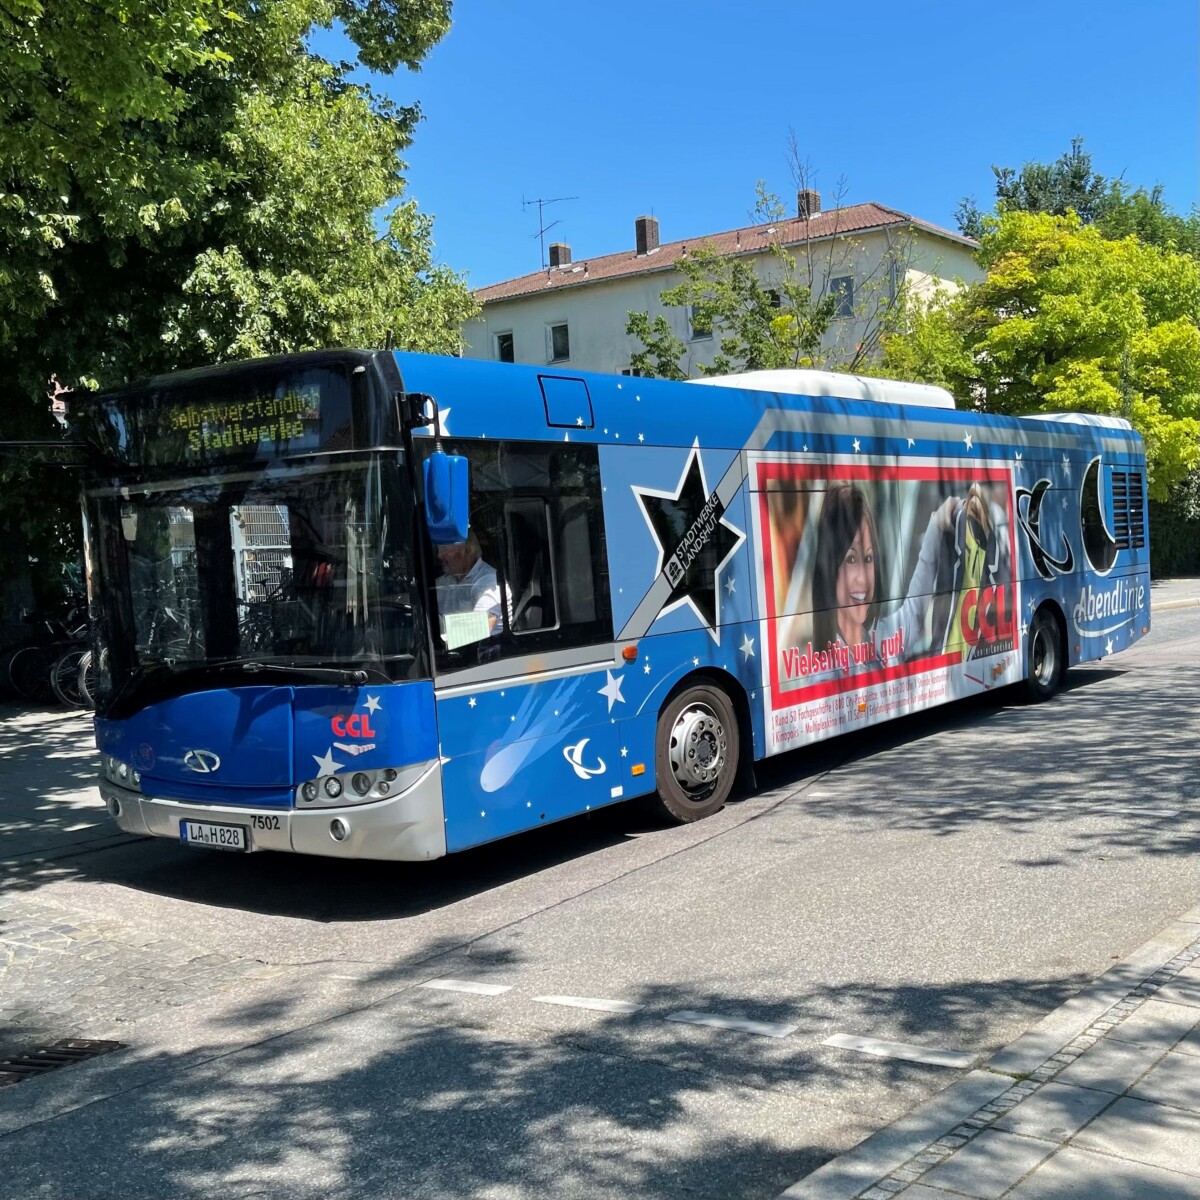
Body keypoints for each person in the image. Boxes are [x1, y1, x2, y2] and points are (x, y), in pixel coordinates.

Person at [434, 530, 503, 636]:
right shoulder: (446, 580)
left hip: (484, 649)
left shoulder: (489, 581)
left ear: (467, 550)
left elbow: (480, 628)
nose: (439, 555)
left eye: (445, 548)